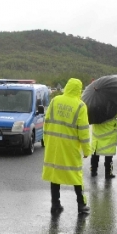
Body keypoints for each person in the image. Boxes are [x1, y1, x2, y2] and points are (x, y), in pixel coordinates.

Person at [41, 78, 91, 214]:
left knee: (55, 174)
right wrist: (87, 150)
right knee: (76, 175)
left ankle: (55, 205)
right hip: (70, 147)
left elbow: (47, 122)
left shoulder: (55, 101)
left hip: (54, 145)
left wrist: (46, 141)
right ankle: (81, 205)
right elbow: (84, 131)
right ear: (79, 90)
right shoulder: (80, 106)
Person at [90, 112, 117, 179]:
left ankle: (93, 170)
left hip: (97, 133)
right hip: (109, 133)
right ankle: (108, 173)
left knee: (95, 153)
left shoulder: (94, 108)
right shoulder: (111, 107)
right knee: (108, 155)